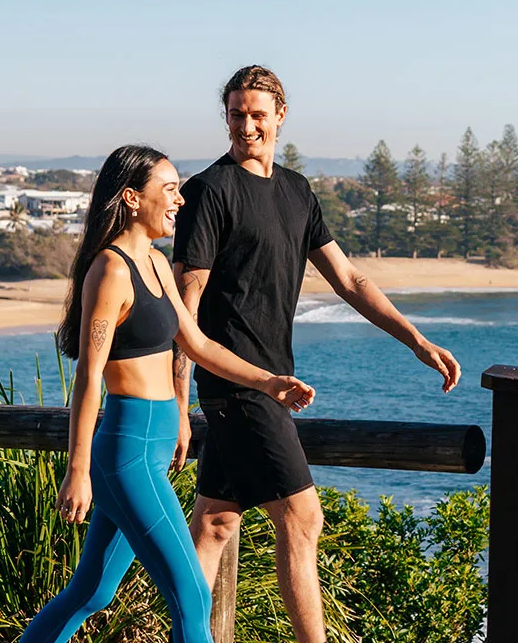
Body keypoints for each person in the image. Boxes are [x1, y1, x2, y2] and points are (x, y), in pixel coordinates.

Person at [172, 66, 461, 643]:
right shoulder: (210, 190)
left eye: (258, 114)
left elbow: (350, 280)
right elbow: (188, 304)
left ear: (281, 115)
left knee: (215, 523)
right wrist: (181, 403)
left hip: (271, 380)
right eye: (236, 114)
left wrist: (417, 340)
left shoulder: (296, 192)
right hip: (236, 384)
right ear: (225, 118)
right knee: (304, 519)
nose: (247, 126)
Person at [20, 144, 315, 643]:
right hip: (126, 450)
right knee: (193, 596)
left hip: (153, 448)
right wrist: (78, 470)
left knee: (91, 592)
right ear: (133, 198)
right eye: (170, 189)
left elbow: (197, 344)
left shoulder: (156, 263)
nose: (180, 200)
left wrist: (267, 382)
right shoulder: (111, 272)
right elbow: (89, 379)